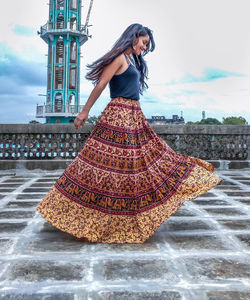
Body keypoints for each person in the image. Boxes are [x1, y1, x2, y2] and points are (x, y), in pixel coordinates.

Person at [37, 23, 222, 243]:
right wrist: (84, 111)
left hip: (134, 116)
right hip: (118, 117)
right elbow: (100, 85)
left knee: (150, 160)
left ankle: (121, 218)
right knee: (104, 168)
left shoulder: (132, 60)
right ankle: (81, 215)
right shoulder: (119, 58)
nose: (144, 47)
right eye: (144, 42)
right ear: (134, 37)